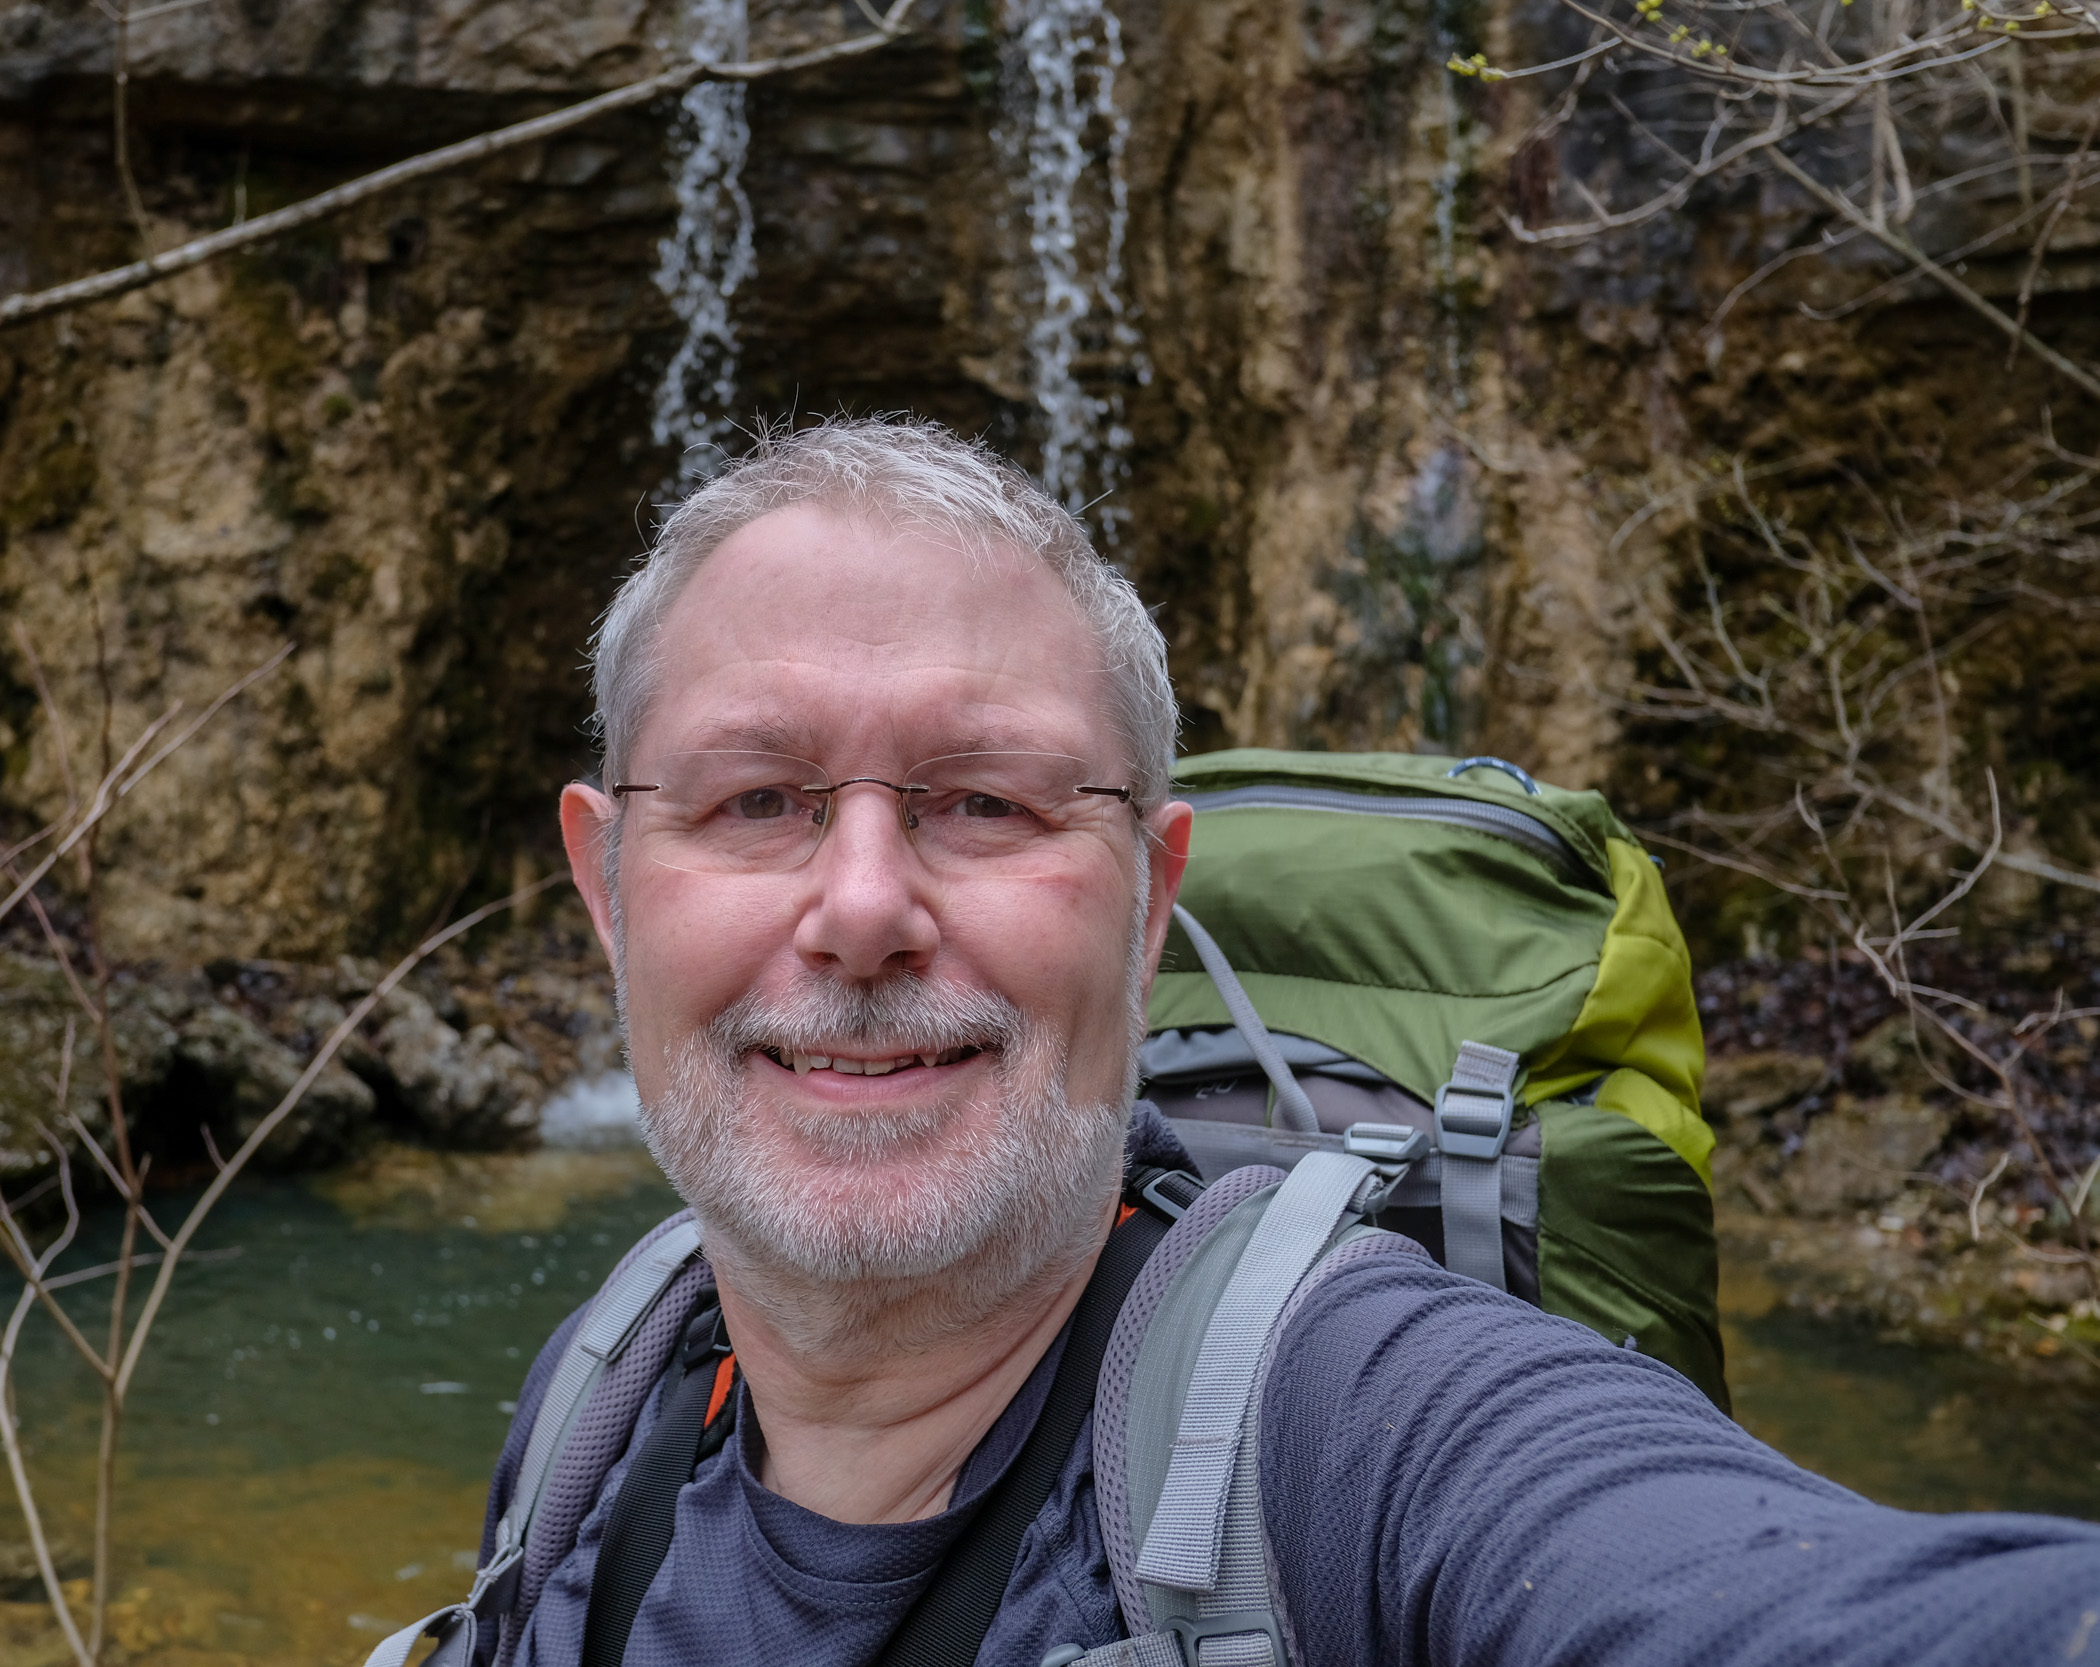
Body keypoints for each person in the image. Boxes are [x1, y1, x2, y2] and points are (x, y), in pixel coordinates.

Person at [477, 417, 2100, 1666]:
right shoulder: (595, 1409)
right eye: (757, 800)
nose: (863, 905)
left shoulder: (1363, 1431)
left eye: (986, 801)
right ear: (610, 882)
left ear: (1149, 898)